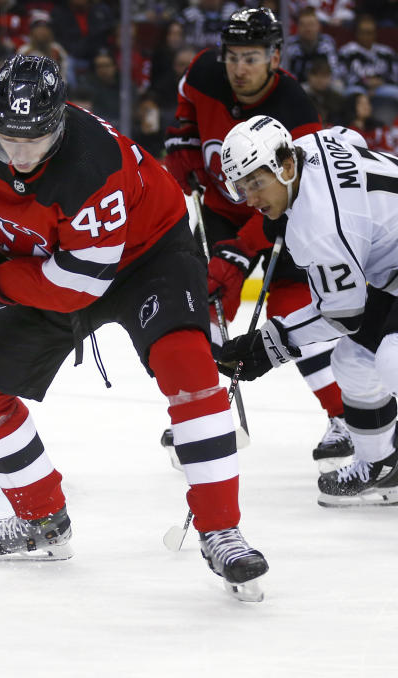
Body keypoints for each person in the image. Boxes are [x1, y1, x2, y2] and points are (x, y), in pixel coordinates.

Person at [0, 54, 269, 600]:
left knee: (187, 366)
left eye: (36, 142)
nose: (20, 157)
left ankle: (222, 530)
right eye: (7, 142)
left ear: (60, 126)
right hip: (49, 258)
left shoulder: (90, 167)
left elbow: (78, 287)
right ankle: (42, 522)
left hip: (147, 254)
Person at [163, 7, 352, 465]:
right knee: (200, 298)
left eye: (251, 57)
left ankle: (345, 419)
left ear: (275, 56)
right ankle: (201, 411)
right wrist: (184, 142)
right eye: (233, 57)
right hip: (221, 207)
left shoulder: (296, 109)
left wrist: (244, 249)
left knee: (290, 314)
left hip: (284, 213)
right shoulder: (204, 71)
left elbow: (299, 188)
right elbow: (186, 112)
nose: (239, 69)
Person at [217, 115, 398, 507]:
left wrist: (270, 345)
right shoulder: (311, 145)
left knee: (393, 359)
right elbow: (348, 136)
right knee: (354, 361)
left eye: (256, 183)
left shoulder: (320, 227)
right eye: (242, 186)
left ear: (285, 167)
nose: (250, 199)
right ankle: (382, 465)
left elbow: (344, 313)